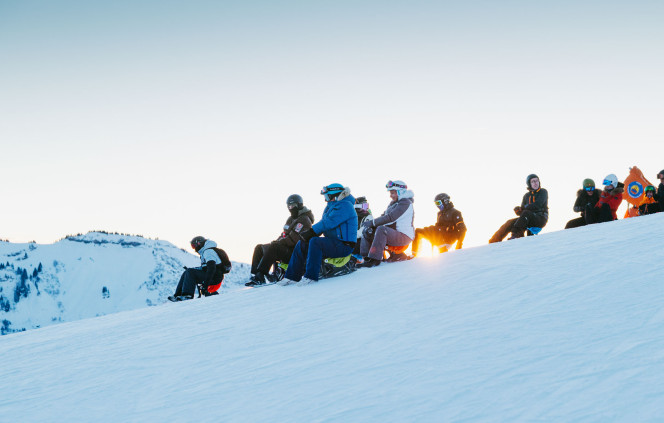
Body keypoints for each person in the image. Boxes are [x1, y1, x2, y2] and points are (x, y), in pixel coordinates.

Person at [279, 183, 358, 285]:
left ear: (334, 195)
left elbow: (328, 223)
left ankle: (311, 276)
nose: (326, 199)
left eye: (327, 196)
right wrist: (308, 235)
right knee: (303, 242)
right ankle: (291, 276)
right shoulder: (330, 207)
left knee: (315, 242)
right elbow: (323, 224)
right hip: (333, 243)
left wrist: (311, 232)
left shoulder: (345, 206)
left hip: (344, 245)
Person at [246, 194, 314, 286]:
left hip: (296, 252)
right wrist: (276, 241)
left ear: (299, 205)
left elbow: (294, 239)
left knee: (274, 247)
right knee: (260, 247)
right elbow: (284, 234)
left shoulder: (304, 219)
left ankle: (260, 276)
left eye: (292, 205)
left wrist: (277, 243)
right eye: (289, 206)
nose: (290, 208)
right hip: (286, 248)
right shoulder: (291, 219)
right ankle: (256, 274)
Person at [358, 180, 415, 267]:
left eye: (393, 193)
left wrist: (372, 222)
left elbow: (391, 218)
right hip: (394, 234)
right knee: (369, 230)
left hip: (404, 236)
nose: (391, 196)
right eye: (390, 193)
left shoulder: (405, 203)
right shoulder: (393, 204)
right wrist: (371, 225)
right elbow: (383, 216)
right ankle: (366, 258)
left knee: (382, 229)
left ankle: (375, 259)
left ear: (400, 192)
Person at [168, 236, 232, 301]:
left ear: (199, 243)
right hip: (213, 277)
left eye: (193, 246)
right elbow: (205, 268)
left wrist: (205, 286)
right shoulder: (206, 252)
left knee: (190, 272)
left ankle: (187, 296)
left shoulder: (208, 252)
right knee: (188, 271)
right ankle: (177, 295)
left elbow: (212, 268)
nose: (194, 249)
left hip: (215, 279)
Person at [489, 174, 548, 242]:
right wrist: (519, 210)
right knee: (510, 222)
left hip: (540, 218)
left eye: (537, 181)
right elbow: (523, 213)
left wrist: (524, 209)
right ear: (529, 184)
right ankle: (494, 240)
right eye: (533, 181)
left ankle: (516, 235)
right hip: (528, 218)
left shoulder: (543, 192)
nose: (535, 183)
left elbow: (538, 204)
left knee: (526, 213)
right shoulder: (526, 196)